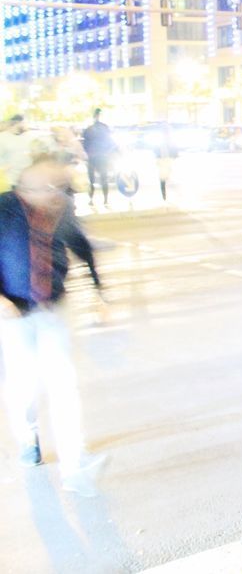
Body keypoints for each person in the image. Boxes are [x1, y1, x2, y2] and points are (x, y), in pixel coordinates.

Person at [0, 158, 107, 497]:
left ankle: (74, 467)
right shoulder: (4, 209)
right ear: (27, 188)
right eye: (52, 188)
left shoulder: (61, 209)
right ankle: (28, 438)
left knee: (64, 385)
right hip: (15, 314)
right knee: (25, 386)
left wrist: (99, 291)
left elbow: (81, 246)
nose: (59, 195)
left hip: (53, 307)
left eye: (63, 188)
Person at [81, 108, 115, 207]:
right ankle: (105, 199)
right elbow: (110, 143)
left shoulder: (88, 130)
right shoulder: (105, 128)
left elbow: (85, 144)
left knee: (91, 180)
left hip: (92, 157)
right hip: (102, 156)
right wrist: (107, 153)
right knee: (103, 178)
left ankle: (91, 200)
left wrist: (87, 154)